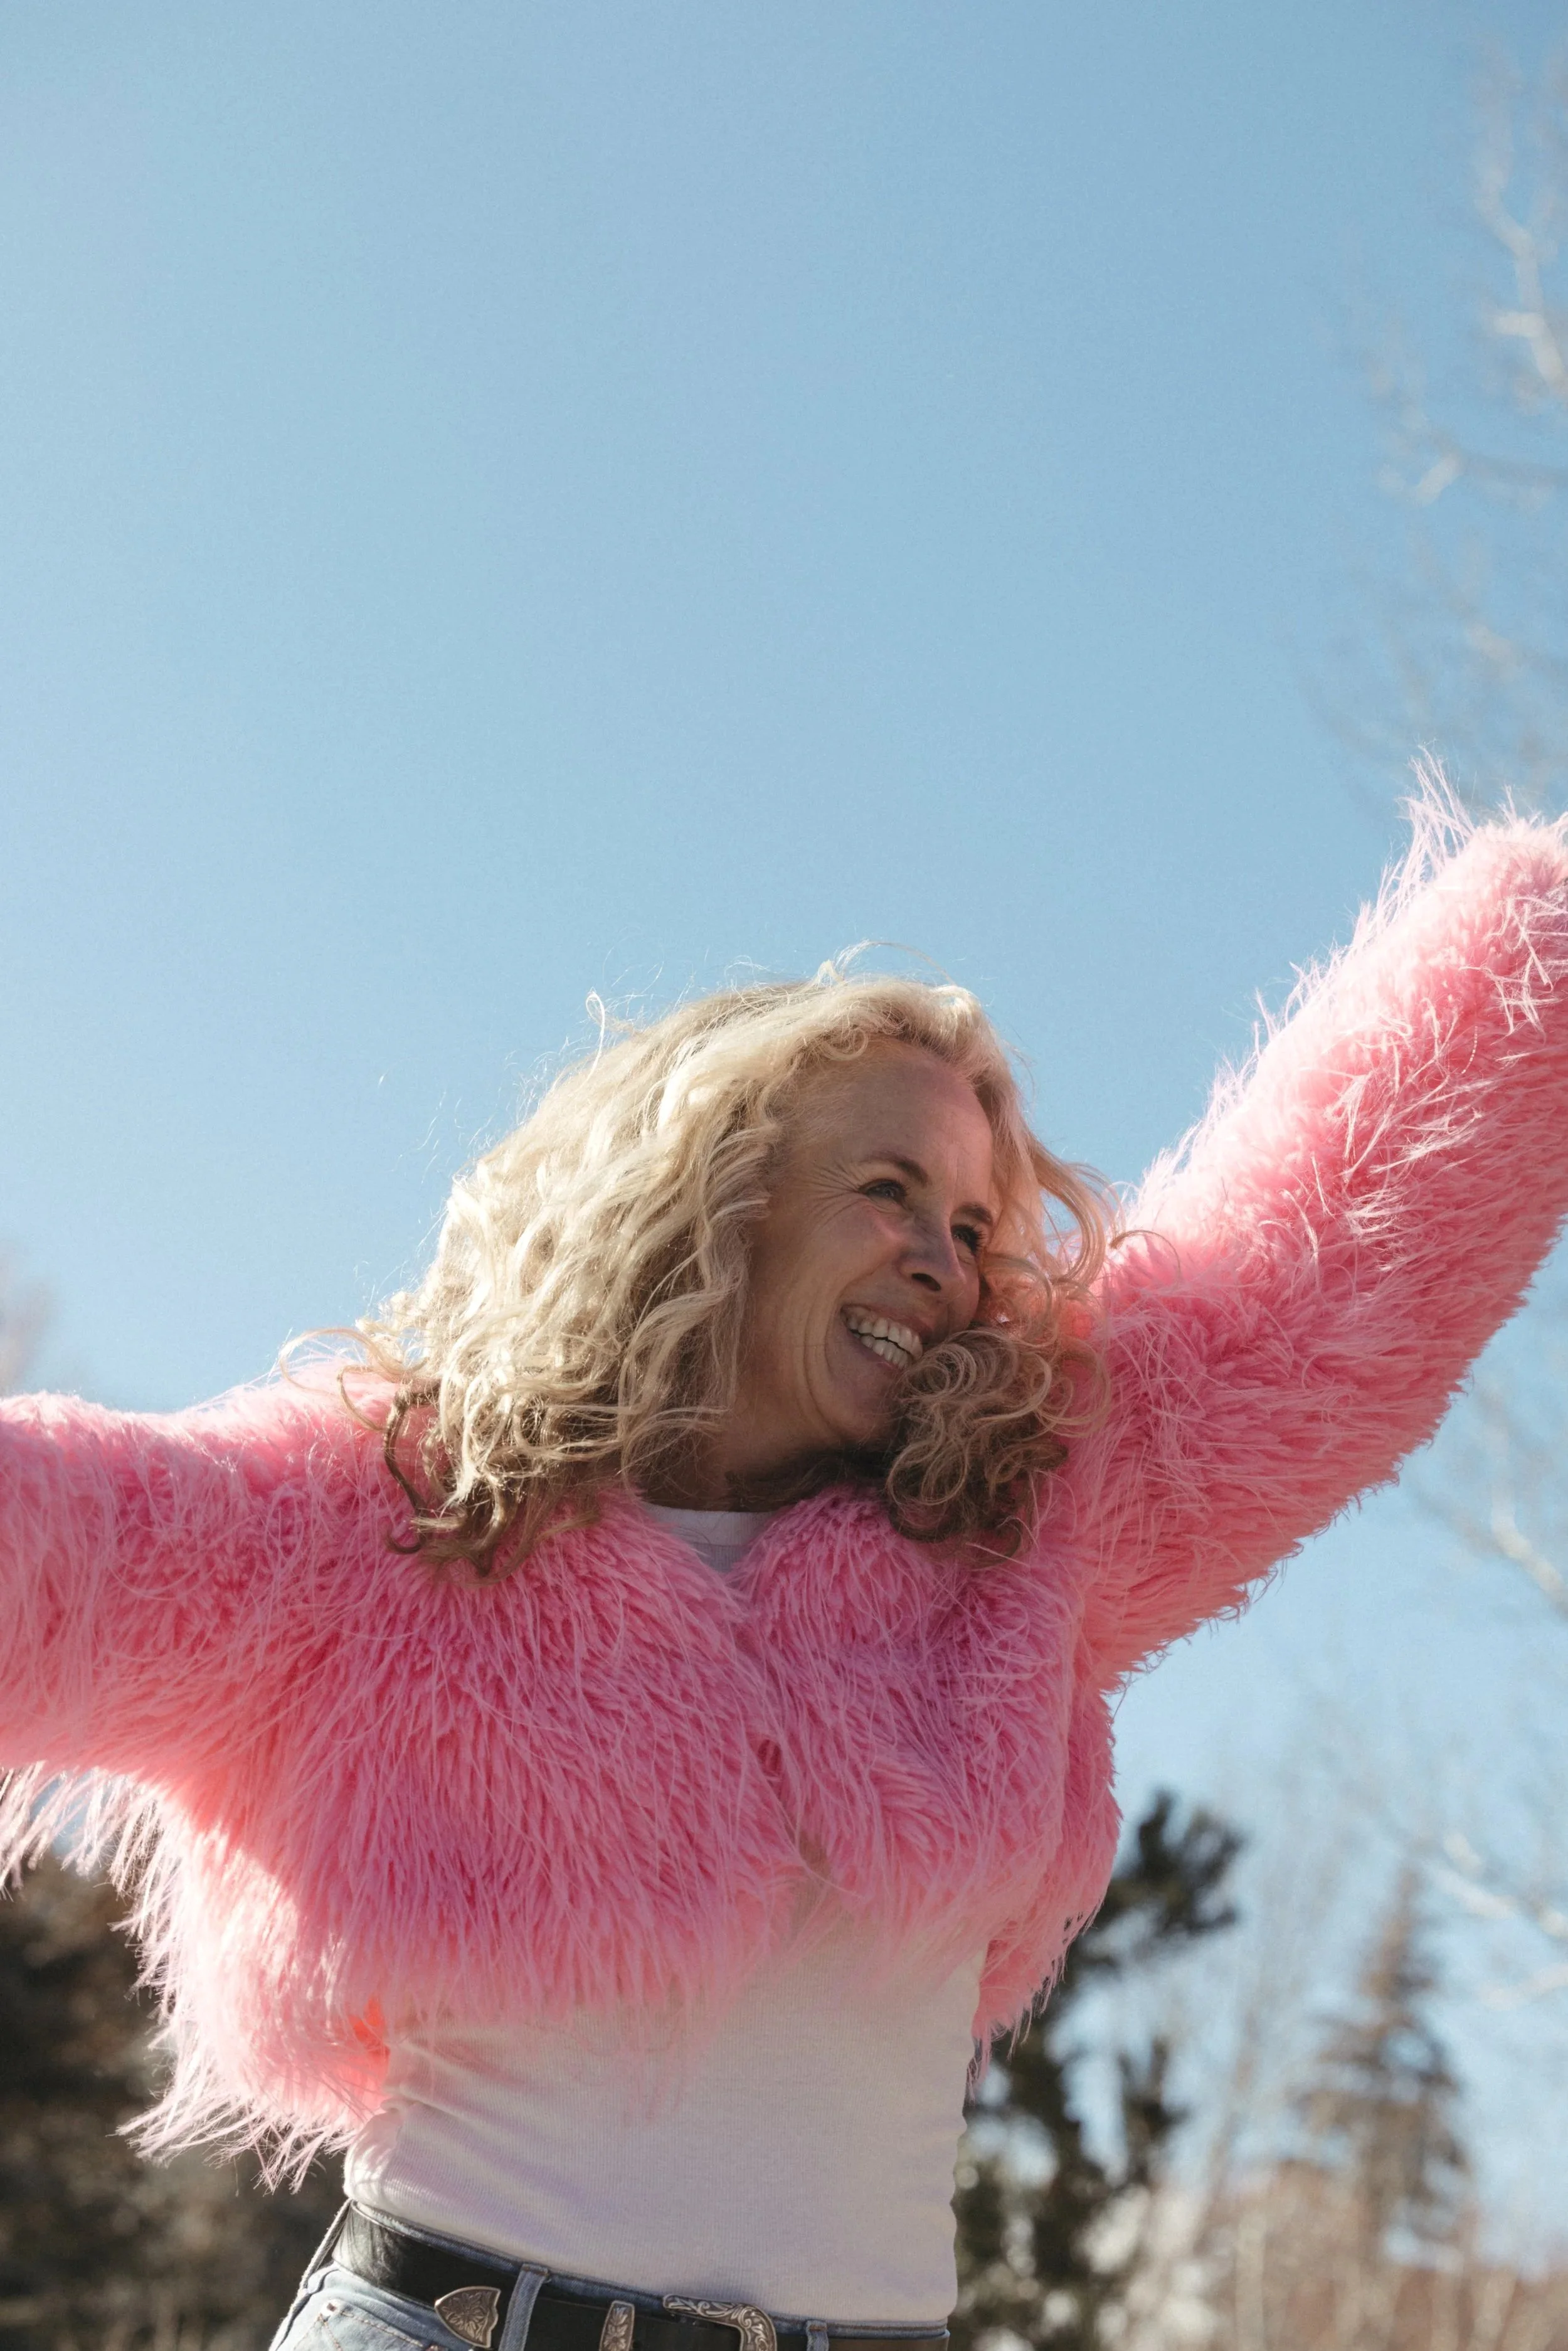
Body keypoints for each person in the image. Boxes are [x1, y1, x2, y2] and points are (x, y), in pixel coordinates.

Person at [3, 790, 1568, 2351]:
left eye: (971, 1224)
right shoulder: (392, 1517)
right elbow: (59, 1545)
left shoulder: (1010, 1542)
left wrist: (1540, 931)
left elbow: (1312, 1286)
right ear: (705, 1205)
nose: (943, 1260)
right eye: (885, 1189)